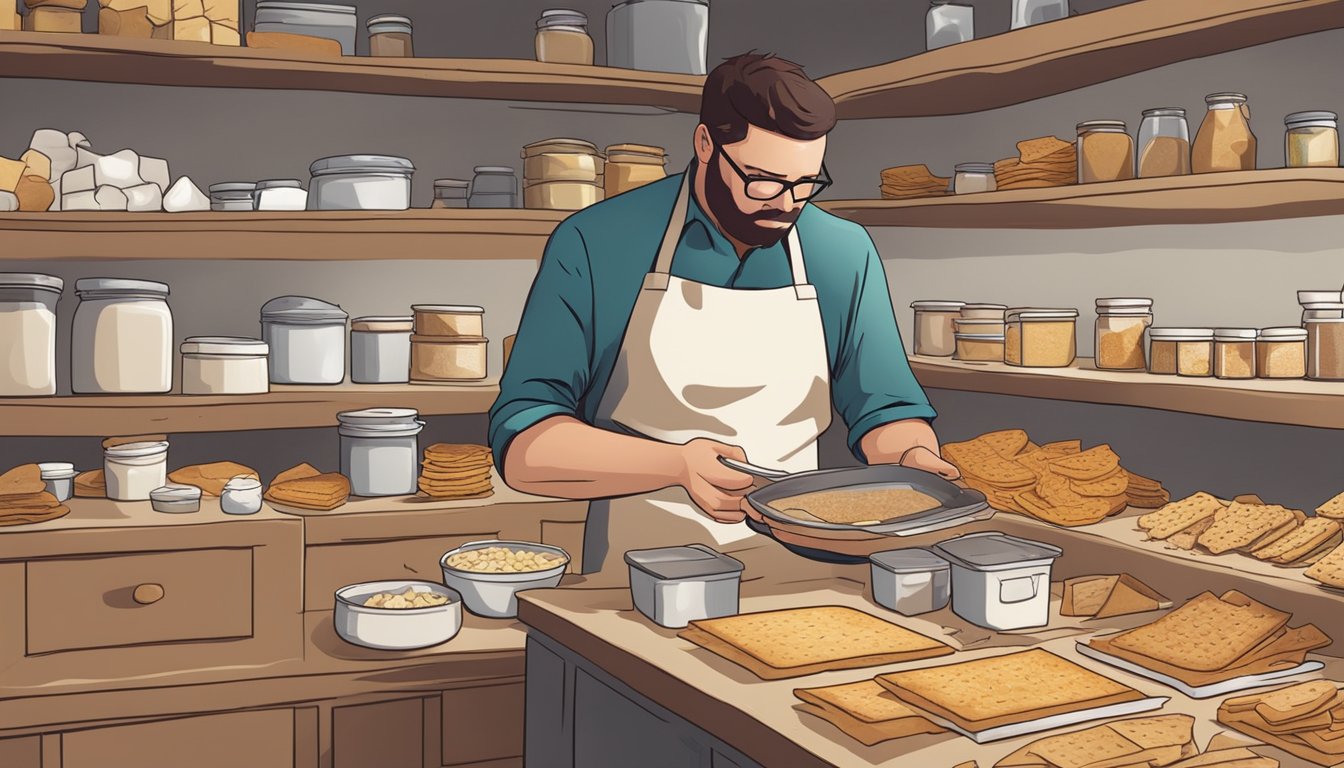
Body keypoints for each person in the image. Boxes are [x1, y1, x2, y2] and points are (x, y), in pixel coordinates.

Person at [489, 52, 959, 573]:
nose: (786, 204)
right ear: (706, 144)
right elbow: (525, 447)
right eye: (763, 181)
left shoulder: (842, 251)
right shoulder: (598, 242)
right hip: (640, 570)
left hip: (806, 569)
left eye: (805, 184)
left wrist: (913, 459)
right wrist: (674, 465)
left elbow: (884, 410)